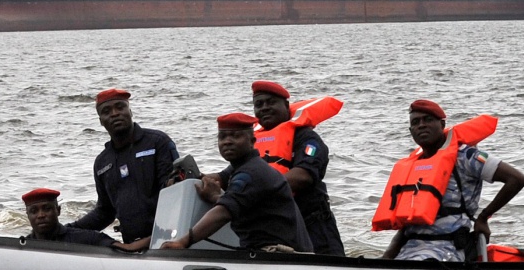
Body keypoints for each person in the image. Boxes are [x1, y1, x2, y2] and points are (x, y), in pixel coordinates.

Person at [376, 99, 524, 262]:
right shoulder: (413, 165)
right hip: (410, 250)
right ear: (410, 130)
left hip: (447, 250)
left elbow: (516, 179)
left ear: (441, 124)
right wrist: (386, 258)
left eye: (428, 120)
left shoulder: (466, 157)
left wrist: (483, 217)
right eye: (416, 122)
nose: (421, 125)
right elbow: (407, 227)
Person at [159, 112, 313, 253]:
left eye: (235, 136)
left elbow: (223, 212)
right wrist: (188, 180)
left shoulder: (251, 173)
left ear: (252, 141)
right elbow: (219, 179)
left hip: (282, 254)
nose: (227, 142)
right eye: (222, 137)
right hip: (265, 250)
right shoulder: (240, 167)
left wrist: (183, 242)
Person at [69, 87, 179, 245]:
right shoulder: (102, 163)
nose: (114, 113)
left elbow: (173, 195)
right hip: (131, 245)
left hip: (168, 240)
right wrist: (69, 230)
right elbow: (105, 212)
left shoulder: (157, 142)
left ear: (130, 111)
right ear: (101, 121)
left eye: (120, 107)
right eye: (106, 111)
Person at [251, 79, 345, 256]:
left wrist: (252, 189)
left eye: (271, 102)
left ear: (286, 106)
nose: (264, 108)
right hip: (274, 226)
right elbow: (230, 175)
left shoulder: (307, 139)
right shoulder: (251, 145)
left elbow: (302, 177)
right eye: (259, 104)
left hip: (313, 225)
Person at [21, 187, 135, 249]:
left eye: (46, 208)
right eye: (34, 211)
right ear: (27, 215)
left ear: (58, 210)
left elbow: (124, 248)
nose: (41, 215)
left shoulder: (84, 239)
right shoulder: (23, 247)